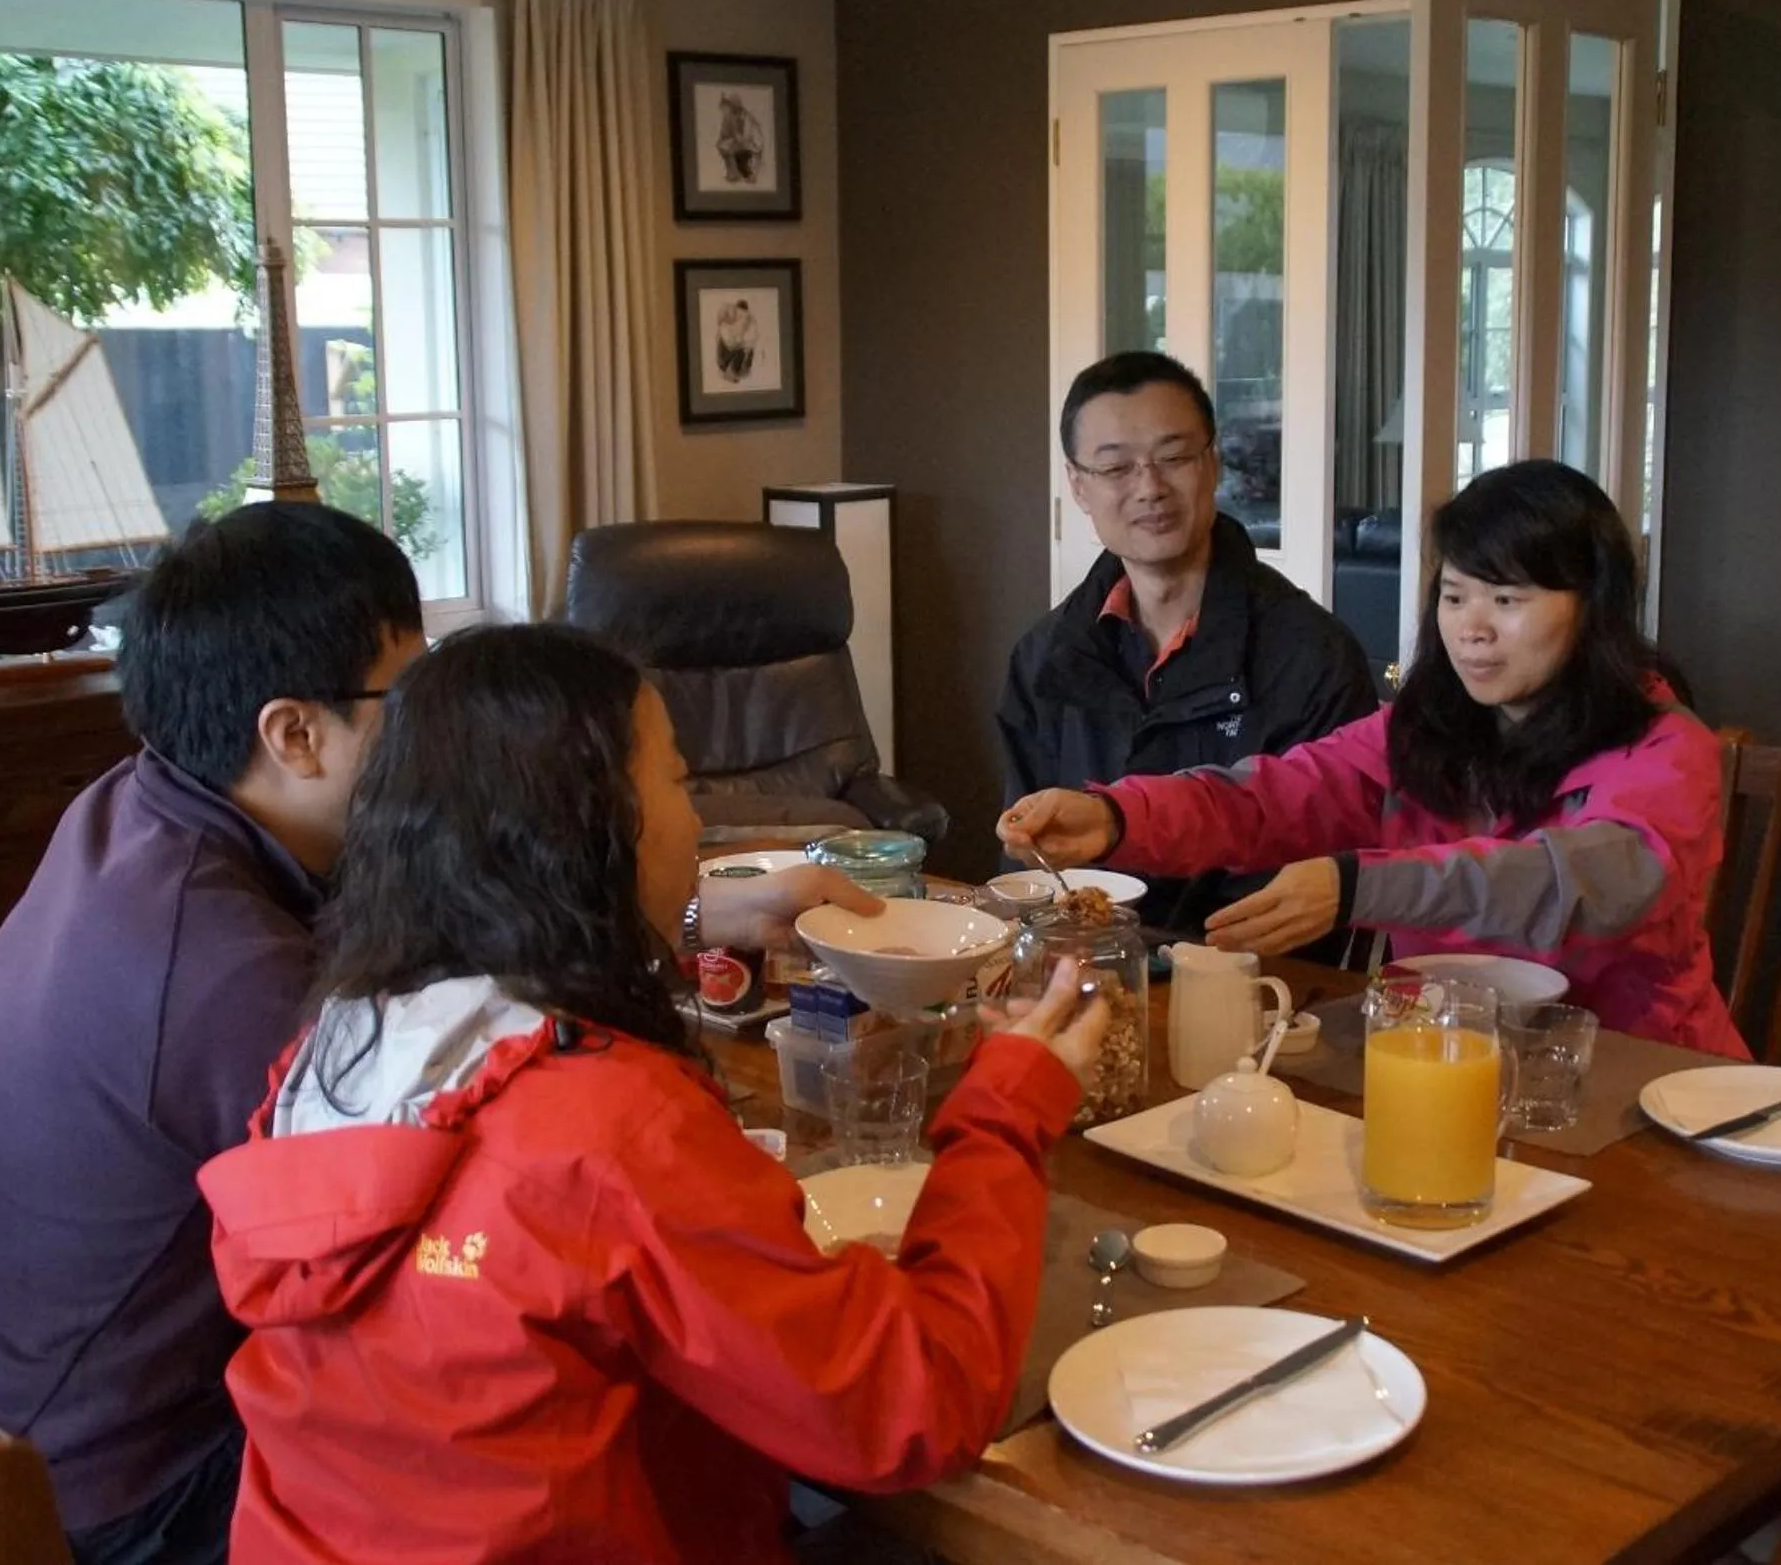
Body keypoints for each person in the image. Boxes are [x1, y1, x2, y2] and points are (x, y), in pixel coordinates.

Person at [0, 505, 872, 1565]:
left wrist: (688, 910)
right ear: (292, 732)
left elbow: (426, 936)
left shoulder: (141, 810)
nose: (435, 729)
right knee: (604, 1366)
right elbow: (494, 1208)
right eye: (407, 694)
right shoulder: (236, 978)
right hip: (100, 1488)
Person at [198, 623, 1109, 1564]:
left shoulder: (336, 1050)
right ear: (595, 827)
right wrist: (1004, 1110)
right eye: (676, 782)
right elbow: (914, 1410)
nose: (695, 823)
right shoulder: (606, 1127)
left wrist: (683, 914)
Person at [1002, 460, 1747, 1057]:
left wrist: (1362, 884)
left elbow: (1569, 883)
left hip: (1632, 1080)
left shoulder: (1667, 749)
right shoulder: (1423, 731)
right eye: (1455, 597)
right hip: (1438, 1061)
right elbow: (1273, 794)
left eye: (1507, 600)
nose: (1472, 630)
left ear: (1593, 606)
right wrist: (1115, 814)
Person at [998, 350, 1378, 937]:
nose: (1150, 487)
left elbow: (1324, 871)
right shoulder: (1045, 658)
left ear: (1213, 464)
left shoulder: (1312, 655)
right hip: (1079, 966)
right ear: (1077, 485)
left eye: (1174, 457)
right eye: (1117, 468)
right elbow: (1028, 858)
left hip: (1252, 982)